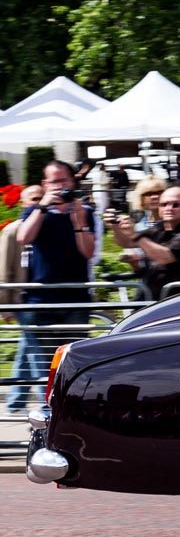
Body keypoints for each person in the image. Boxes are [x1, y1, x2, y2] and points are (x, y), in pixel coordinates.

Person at [15, 161, 95, 383]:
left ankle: (69, 412)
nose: (59, 186)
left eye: (64, 181)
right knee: (46, 369)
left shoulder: (85, 212)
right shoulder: (34, 211)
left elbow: (88, 252)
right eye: (54, 181)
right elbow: (23, 238)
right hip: (41, 299)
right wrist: (42, 207)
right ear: (45, 184)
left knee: (74, 363)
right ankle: (48, 413)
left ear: (72, 182)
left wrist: (78, 222)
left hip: (75, 298)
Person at [109, 185, 180, 300]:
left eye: (176, 205)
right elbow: (126, 243)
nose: (169, 208)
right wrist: (115, 226)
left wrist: (134, 234)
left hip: (176, 303)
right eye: (164, 204)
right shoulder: (158, 229)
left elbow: (165, 257)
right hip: (148, 299)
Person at [2, 184, 43, 414]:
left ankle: (15, 401)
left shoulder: (45, 226)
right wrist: (5, 306)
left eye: (40, 198)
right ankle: (45, 402)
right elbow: (3, 268)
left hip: (37, 299)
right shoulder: (12, 230)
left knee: (27, 349)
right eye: (33, 198)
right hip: (21, 299)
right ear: (22, 203)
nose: (37, 202)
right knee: (38, 354)